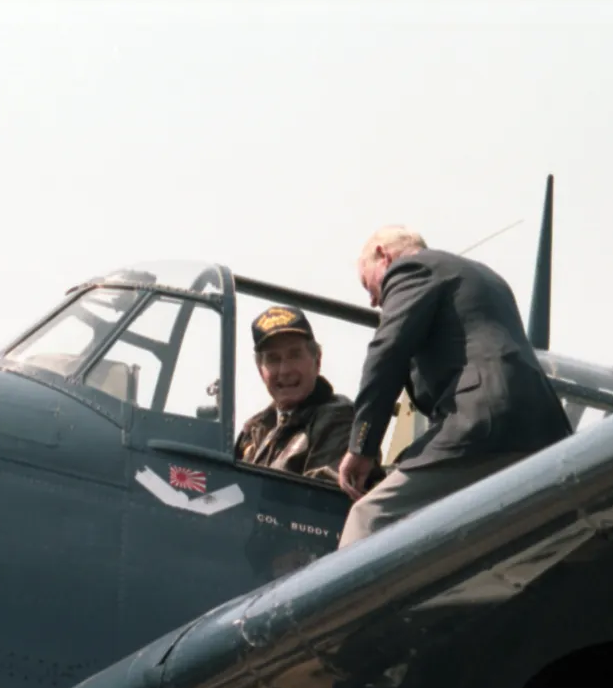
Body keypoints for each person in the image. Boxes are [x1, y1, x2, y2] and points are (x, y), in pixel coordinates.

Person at [336, 225, 573, 547]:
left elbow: (387, 350)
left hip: (479, 426)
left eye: (369, 286)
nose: (375, 302)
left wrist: (362, 446)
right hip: (544, 434)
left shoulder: (411, 268)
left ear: (383, 254)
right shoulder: (487, 279)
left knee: (368, 518)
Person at [235, 305, 365, 483]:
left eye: (295, 355)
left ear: (317, 360)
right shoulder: (254, 429)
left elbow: (316, 501)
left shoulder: (339, 419)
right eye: (273, 359)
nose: (285, 370)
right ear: (260, 370)